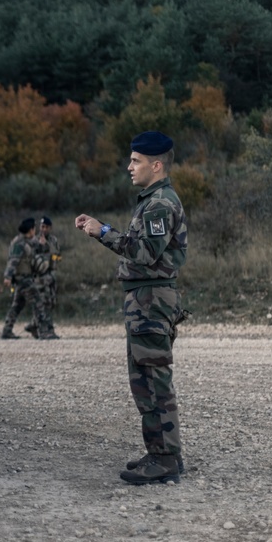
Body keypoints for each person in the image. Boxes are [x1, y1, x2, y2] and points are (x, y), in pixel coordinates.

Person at [75, 130, 188, 485]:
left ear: (157, 165)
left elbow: (144, 252)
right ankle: (159, 453)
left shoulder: (160, 205)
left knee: (154, 381)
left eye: (136, 161)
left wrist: (101, 231)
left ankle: (166, 459)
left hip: (152, 301)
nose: (129, 167)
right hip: (145, 300)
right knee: (144, 381)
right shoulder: (152, 200)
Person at [0, 218, 53, 340]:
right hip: (23, 279)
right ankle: (43, 332)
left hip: (24, 279)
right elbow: (13, 261)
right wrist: (7, 276)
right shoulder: (19, 244)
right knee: (38, 304)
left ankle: (7, 330)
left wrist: (43, 245)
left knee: (17, 305)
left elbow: (37, 248)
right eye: (34, 229)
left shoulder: (27, 241)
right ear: (30, 230)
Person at [26, 217, 61, 339]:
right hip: (38, 278)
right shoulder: (34, 241)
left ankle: (34, 325)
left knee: (50, 303)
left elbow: (56, 254)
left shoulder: (53, 240)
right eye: (42, 227)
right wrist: (40, 246)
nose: (44, 229)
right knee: (41, 304)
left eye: (46, 227)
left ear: (50, 228)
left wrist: (46, 246)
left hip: (50, 276)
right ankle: (44, 330)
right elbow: (31, 258)